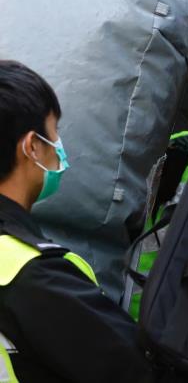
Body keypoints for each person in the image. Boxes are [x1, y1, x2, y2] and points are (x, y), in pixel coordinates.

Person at [0, 60, 154, 382]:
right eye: (54, 132)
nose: (59, 146)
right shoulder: (35, 278)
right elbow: (138, 372)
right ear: (32, 147)